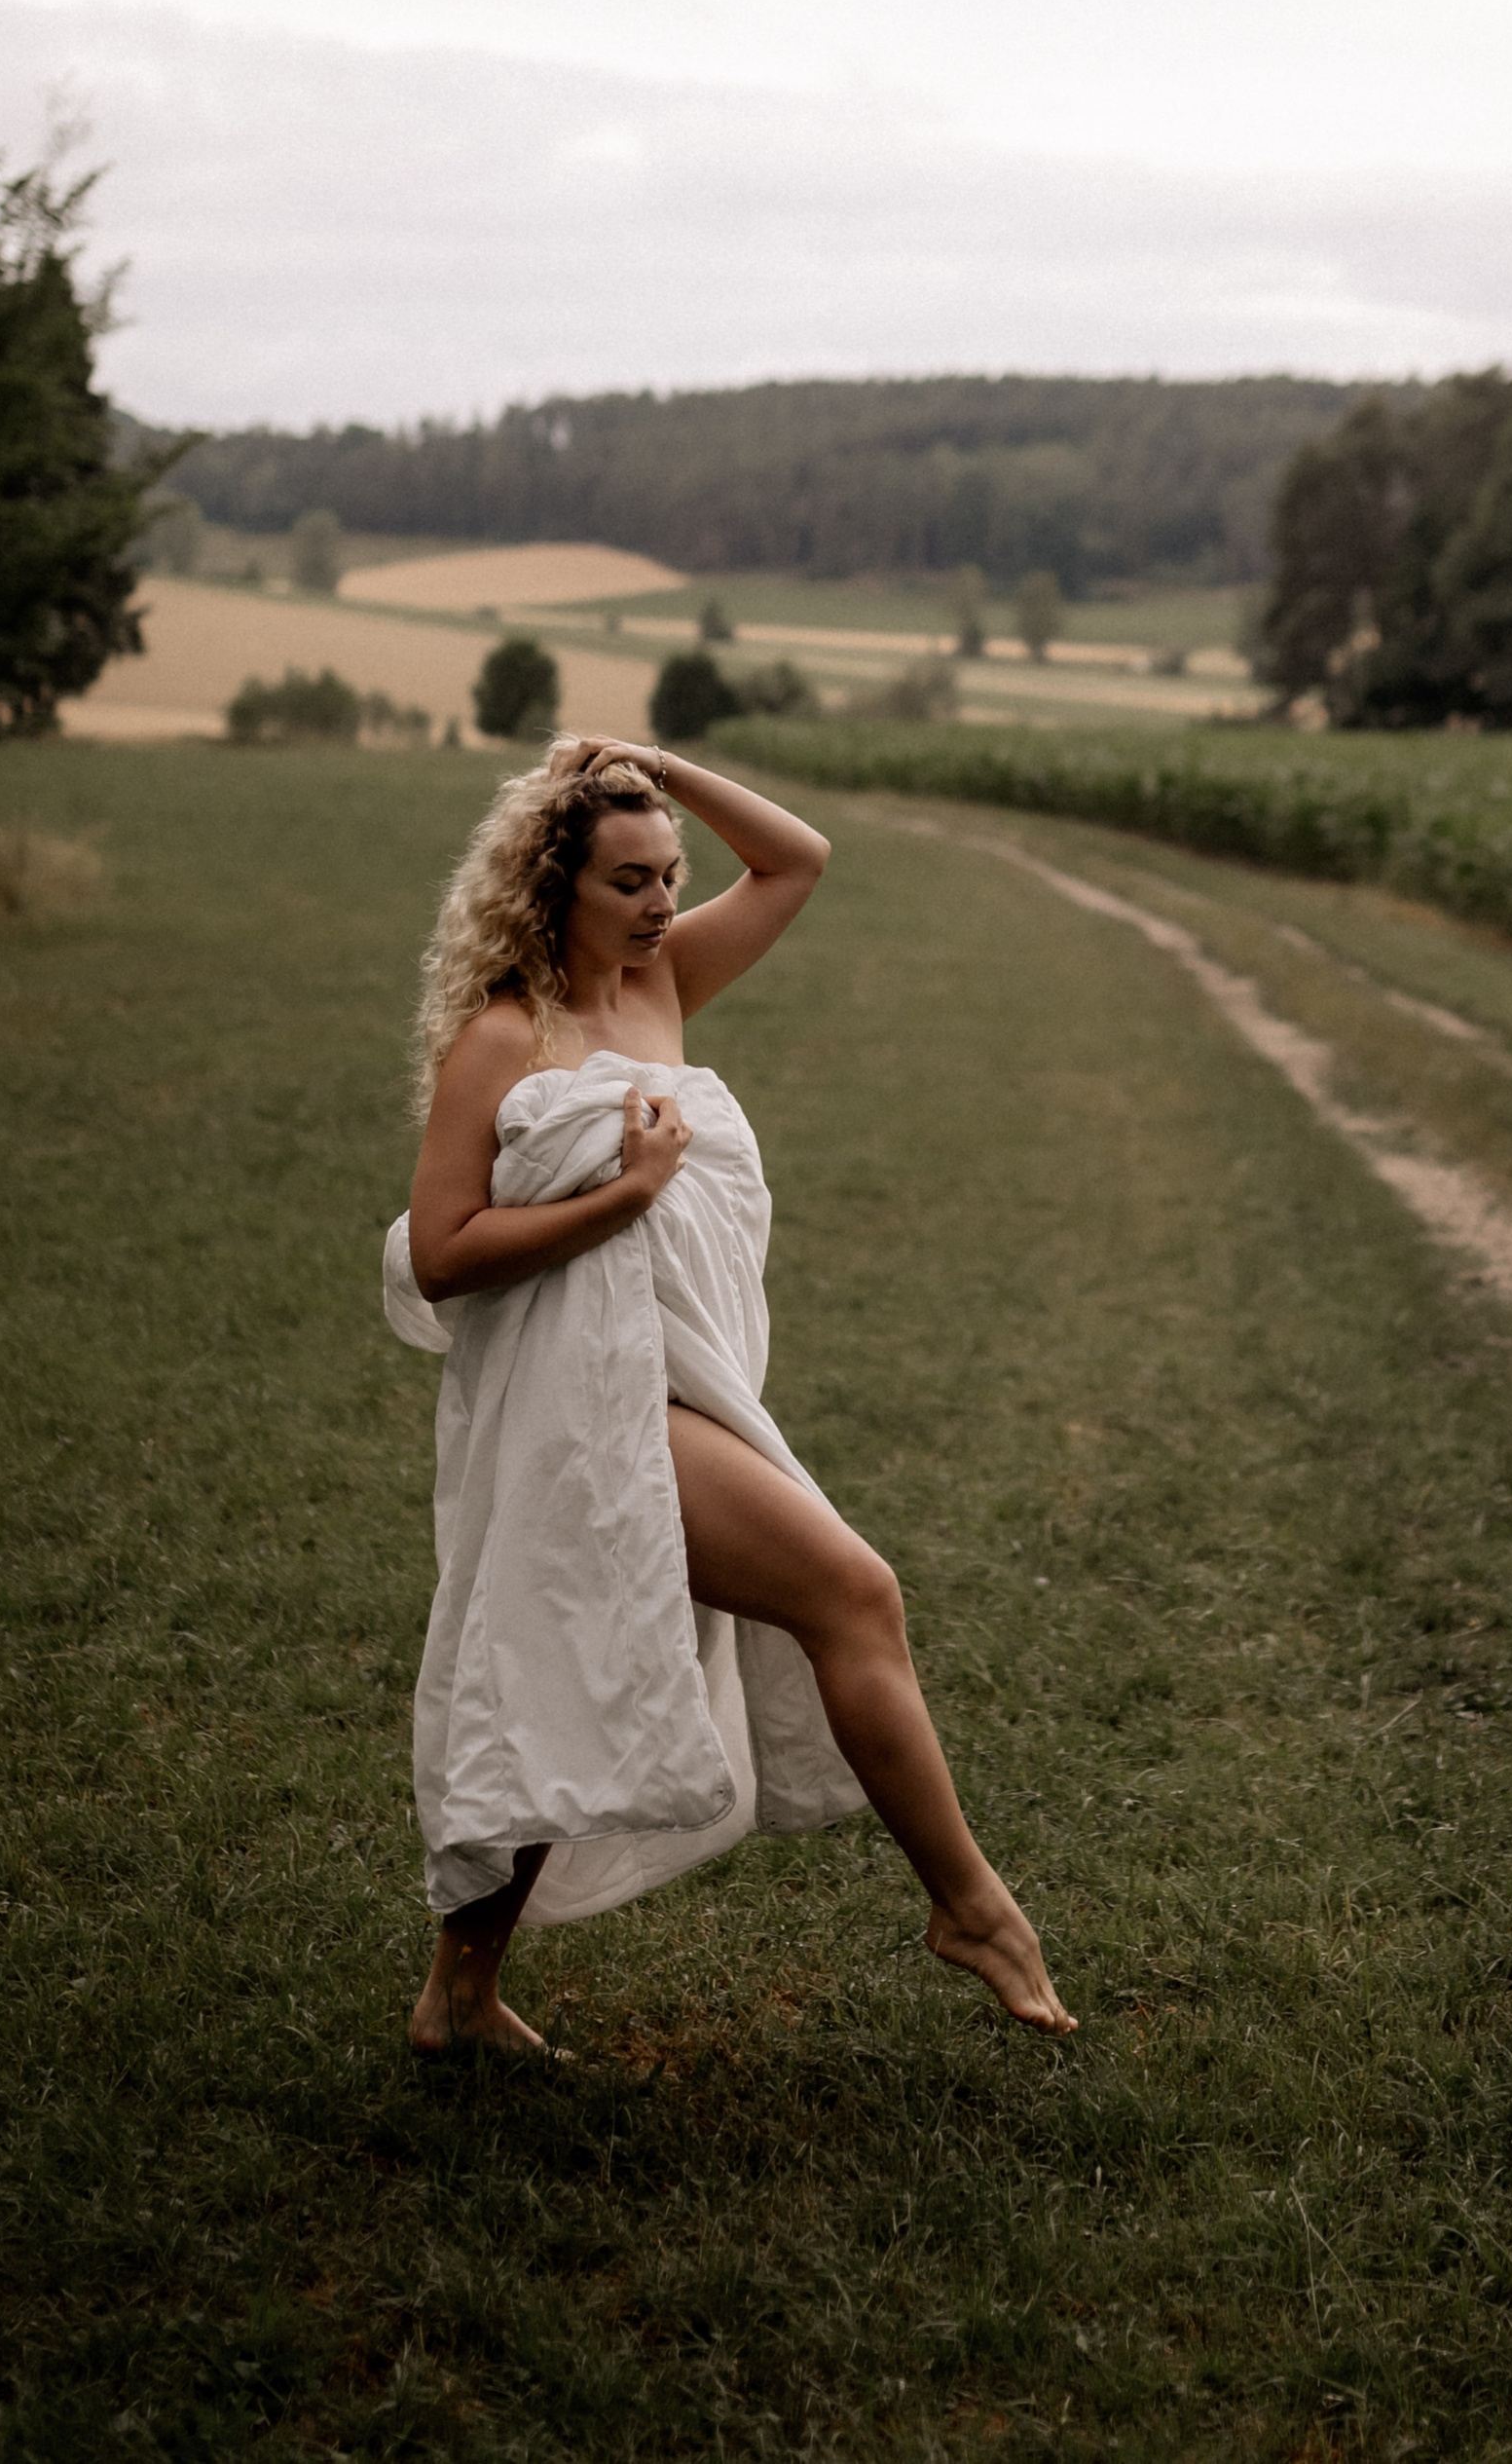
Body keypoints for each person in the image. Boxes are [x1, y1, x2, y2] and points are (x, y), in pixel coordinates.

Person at [389, 732, 1073, 2053]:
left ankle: (457, 1998)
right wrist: (626, 1195)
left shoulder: (664, 986)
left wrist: (657, 763)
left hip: (687, 1380)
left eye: (670, 875)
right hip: (586, 1409)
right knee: (855, 1592)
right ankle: (970, 1903)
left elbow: (799, 859)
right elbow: (438, 1257)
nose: (660, 906)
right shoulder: (504, 1039)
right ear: (551, 892)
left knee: (567, 1671)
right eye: (629, 882)